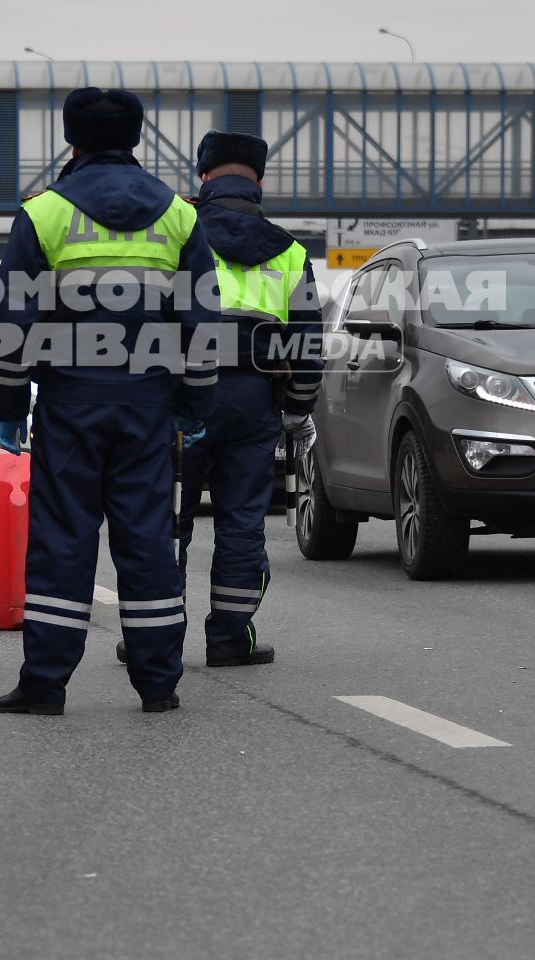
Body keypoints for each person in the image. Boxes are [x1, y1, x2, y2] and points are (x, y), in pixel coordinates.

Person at [0, 87, 218, 716]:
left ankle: (45, 683)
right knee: (147, 538)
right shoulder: (179, 217)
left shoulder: (44, 215)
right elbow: (202, 323)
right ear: (137, 138)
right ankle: (158, 684)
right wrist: (194, 406)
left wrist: (7, 404)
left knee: (63, 539)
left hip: (70, 401)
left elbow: (13, 323)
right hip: (148, 404)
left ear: (71, 138)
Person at [121, 130, 321, 667]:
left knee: (165, 520)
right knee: (240, 521)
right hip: (254, 399)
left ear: (203, 176)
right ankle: (231, 638)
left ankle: (151, 635)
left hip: (179, 399)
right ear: (259, 181)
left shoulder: (173, 235)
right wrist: (298, 409)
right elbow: (309, 340)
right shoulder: (291, 250)